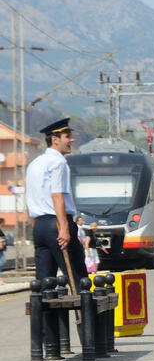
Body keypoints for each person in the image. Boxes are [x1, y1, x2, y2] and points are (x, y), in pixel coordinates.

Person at [25, 118, 87, 285]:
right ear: (55, 139)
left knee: (45, 283)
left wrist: (36, 227)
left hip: (40, 227)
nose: (71, 140)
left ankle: (43, 311)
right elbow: (57, 195)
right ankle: (85, 311)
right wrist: (64, 227)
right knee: (78, 278)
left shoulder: (34, 164)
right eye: (68, 136)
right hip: (58, 225)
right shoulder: (59, 163)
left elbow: (29, 199)